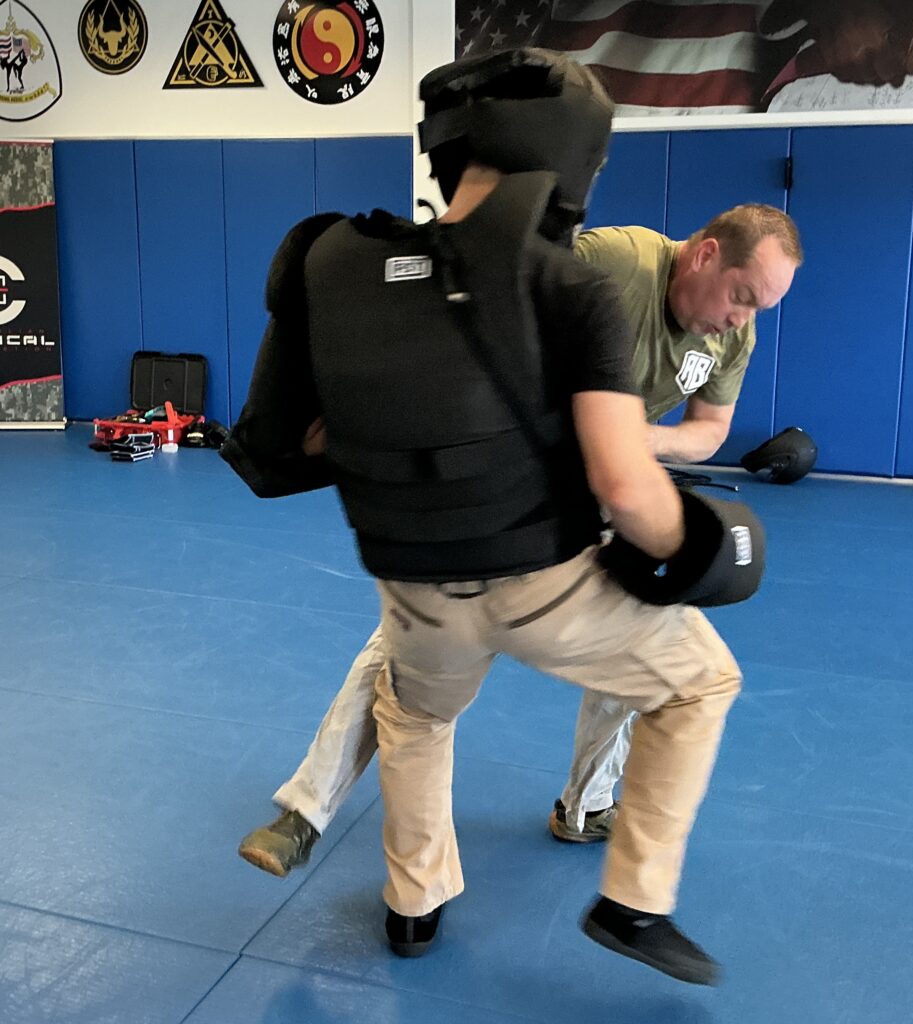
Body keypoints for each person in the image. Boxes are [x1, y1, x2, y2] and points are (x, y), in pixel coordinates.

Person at [225, 45, 771, 983]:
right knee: (698, 683)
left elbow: (283, 443)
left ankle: (413, 906)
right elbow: (624, 484)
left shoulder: (333, 263)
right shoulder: (573, 283)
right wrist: (706, 550)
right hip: (541, 586)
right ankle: (634, 902)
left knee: (414, 716)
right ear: (574, 159)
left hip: (412, 589)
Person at [233, 197, 801, 873]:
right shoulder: (615, 262)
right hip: (509, 484)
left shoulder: (734, 334)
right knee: (410, 643)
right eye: (742, 296)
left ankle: (586, 805)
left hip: (607, 481)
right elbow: (481, 321)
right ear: (706, 254)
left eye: (760, 308)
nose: (743, 318)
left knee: (648, 631)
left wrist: (628, 440)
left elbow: (708, 431)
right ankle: (305, 811)